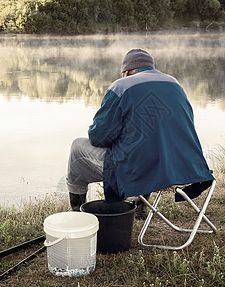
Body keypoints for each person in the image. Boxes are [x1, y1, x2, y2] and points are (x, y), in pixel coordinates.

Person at [66, 48, 214, 216]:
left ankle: (77, 213)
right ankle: (141, 206)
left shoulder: (121, 86)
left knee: (77, 148)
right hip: (185, 168)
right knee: (147, 144)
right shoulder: (174, 84)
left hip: (142, 171)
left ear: (126, 72)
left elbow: (99, 137)